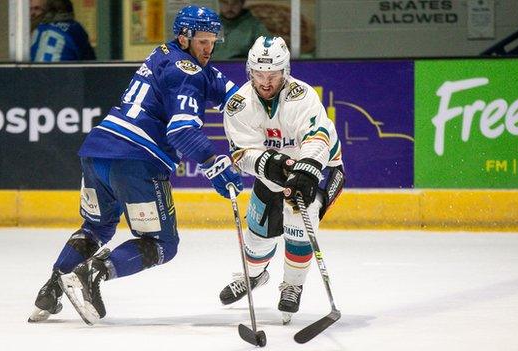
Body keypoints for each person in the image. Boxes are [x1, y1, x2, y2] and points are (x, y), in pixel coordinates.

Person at [28, 5, 243, 325]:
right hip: (136, 162)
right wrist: (214, 164)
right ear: (184, 38)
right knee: (162, 244)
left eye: (213, 41)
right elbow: (182, 130)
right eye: (202, 41)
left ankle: (52, 289)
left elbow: (223, 89)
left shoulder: (164, 55)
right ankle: (94, 273)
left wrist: (252, 107)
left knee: (96, 227)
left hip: (97, 151)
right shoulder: (188, 72)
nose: (209, 48)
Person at [218, 36, 345, 323]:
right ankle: (253, 275)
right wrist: (265, 162)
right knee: (257, 238)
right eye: (259, 74)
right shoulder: (239, 105)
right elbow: (241, 152)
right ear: (250, 71)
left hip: (321, 168)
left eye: (272, 75)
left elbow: (318, 137)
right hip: (274, 171)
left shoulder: (302, 95)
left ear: (284, 72)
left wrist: (307, 167)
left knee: (299, 219)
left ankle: (292, 285)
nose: (265, 81)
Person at [30, 0, 96, 61]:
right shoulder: (75, 28)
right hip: (64, 72)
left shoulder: (38, 29)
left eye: (37, 9)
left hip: (35, 72)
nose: (33, 13)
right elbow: (90, 61)